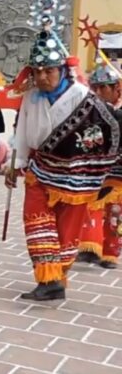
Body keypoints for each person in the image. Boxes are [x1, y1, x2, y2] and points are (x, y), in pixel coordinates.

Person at [6, 3, 120, 301]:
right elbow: (22, 131)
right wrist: (13, 163)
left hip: (77, 175)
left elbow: (101, 132)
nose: (43, 76)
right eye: (37, 70)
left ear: (62, 70)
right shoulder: (31, 96)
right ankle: (48, 278)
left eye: (49, 70)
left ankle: (57, 280)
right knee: (35, 220)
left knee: (66, 230)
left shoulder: (83, 98)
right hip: (40, 170)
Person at [77, 62, 122, 269]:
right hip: (96, 169)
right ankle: (89, 248)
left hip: (118, 171)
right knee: (90, 207)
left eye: (103, 87)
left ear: (116, 88)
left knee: (114, 214)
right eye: (94, 88)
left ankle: (110, 253)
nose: (98, 92)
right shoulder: (91, 109)